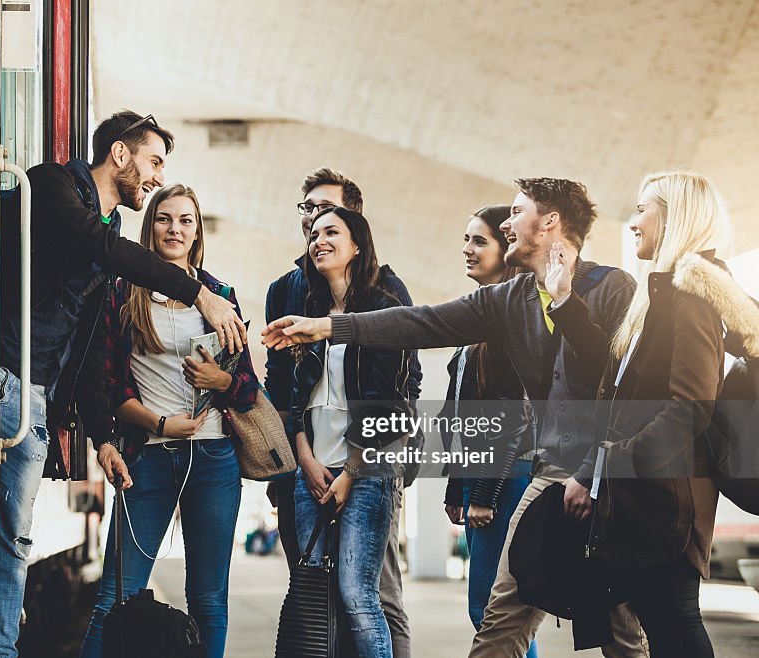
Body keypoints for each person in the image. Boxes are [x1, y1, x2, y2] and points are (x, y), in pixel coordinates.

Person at [263, 177, 649, 657]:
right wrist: (327, 326)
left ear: (550, 222)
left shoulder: (614, 287)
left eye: (516, 212)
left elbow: (624, 389)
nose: (506, 222)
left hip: (607, 477)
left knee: (618, 630)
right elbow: (423, 321)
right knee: (500, 621)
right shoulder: (512, 298)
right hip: (550, 475)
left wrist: (593, 469)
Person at [0, 111, 246, 658]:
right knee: (87, 579)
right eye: (153, 161)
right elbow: (106, 356)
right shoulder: (54, 188)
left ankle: (0, 647)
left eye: (186, 220)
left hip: (194, 451)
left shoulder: (198, 282)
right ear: (121, 155)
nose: (154, 175)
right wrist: (193, 292)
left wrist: (97, 436)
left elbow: (82, 356)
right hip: (31, 389)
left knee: (209, 596)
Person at [545, 171, 756, 657]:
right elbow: (619, 382)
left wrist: (602, 465)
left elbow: (690, 409)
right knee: (665, 628)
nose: (634, 221)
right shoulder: (659, 295)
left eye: (644, 208)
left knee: (674, 626)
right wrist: (565, 302)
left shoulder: (692, 295)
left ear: (675, 215)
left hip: (670, 504)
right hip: (649, 496)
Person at [78, 184, 256, 658]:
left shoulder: (219, 296)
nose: (174, 229)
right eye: (164, 219)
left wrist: (219, 380)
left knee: (208, 599)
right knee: (115, 594)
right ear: (150, 226)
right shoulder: (122, 292)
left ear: (197, 233)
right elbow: (108, 387)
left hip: (214, 459)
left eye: (185, 221)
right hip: (149, 460)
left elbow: (249, 390)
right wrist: (159, 424)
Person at [264, 168, 419, 657]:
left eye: (331, 225)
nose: (317, 232)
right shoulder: (298, 301)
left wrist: (353, 472)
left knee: (363, 595)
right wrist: (302, 459)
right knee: (313, 596)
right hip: (312, 466)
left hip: (367, 468)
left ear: (357, 238)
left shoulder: (384, 304)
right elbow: (290, 393)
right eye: (311, 224)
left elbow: (396, 393)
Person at [441, 205, 539, 658]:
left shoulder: (511, 322)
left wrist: (481, 490)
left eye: (480, 241)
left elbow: (511, 416)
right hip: (487, 479)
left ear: (506, 251)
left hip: (506, 479)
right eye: (466, 239)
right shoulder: (480, 322)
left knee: (495, 611)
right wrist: (456, 489)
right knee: (495, 610)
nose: (468, 249)